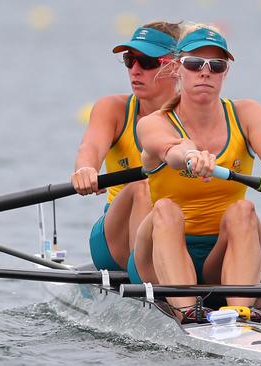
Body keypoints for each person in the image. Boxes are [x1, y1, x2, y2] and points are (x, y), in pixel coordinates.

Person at [132, 24, 261, 313]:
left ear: (225, 73)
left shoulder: (247, 113)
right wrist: (190, 156)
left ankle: (240, 318)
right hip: (157, 256)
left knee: (244, 211)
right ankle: (187, 313)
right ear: (177, 69)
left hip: (220, 257)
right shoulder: (153, 122)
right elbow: (172, 149)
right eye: (194, 64)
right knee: (165, 208)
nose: (205, 72)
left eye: (216, 65)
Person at [71, 22, 181, 271]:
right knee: (143, 187)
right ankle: (147, 282)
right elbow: (89, 148)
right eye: (130, 60)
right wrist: (86, 169)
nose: (135, 71)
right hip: (115, 238)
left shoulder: (198, 115)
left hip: (175, 227)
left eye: (147, 62)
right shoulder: (113, 109)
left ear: (175, 68)